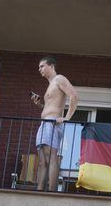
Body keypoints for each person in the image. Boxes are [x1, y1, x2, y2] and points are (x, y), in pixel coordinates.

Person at [30, 56, 78, 191]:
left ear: (51, 66)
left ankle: (52, 193)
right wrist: (40, 105)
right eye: (39, 67)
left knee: (51, 158)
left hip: (51, 124)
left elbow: (74, 96)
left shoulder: (59, 79)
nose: (39, 69)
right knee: (42, 162)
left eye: (42, 66)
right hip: (44, 124)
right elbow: (51, 107)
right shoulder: (51, 84)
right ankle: (39, 191)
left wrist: (67, 117)